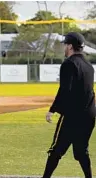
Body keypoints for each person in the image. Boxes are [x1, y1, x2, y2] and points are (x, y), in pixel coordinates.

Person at [43, 32, 95, 178]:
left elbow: (65, 90)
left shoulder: (69, 63)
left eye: (65, 44)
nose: (64, 48)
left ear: (70, 46)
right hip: (89, 115)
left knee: (56, 150)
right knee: (80, 151)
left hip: (73, 115)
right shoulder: (89, 66)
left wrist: (52, 110)